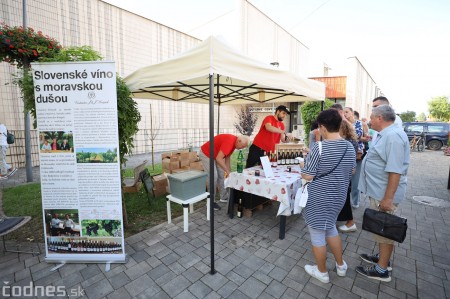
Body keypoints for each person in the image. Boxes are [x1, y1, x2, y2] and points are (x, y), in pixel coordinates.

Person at [300, 109, 356, 283]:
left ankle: (322, 272)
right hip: (338, 197)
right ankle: (340, 265)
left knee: (317, 234)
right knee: (330, 227)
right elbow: (351, 170)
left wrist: (303, 164)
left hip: (319, 198)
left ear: (322, 127)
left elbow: (308, 175)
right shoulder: (349, 145)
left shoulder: (319, 146)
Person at [356, 105, 410, 282]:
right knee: (381, 229)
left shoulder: (393, 136)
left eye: (372, 117)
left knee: (384, 230)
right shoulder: (387, 134)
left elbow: (395, 170)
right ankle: (382, 258)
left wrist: (388, 198)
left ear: (380, 118)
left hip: (384, 194)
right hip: (380, 191)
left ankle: (381, 270)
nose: (369, 121)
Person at [199, 134, 249, 210]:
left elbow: (227, 158)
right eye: (242, 146)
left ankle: (224, 197)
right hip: (206, 154)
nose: (241, 149)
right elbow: (219, 159)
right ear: (239, 141)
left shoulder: (234, 143)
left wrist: (229, 172)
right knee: (213, 176)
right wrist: (228, 171)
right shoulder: (229, 142)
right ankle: (210, 202)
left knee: (221, 174)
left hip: (215, 155)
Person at [344, 107, 369, 208]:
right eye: (344, 112)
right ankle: (344, 201)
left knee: (356, 180)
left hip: (357, 154)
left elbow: (361, 136)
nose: (345, 114)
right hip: (345, 154)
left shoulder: (360, 123)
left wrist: (365, 138)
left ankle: (355, 201)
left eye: (347, 112)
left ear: (352, 113)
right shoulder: (342, 124)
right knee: (345, 179)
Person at [337, 121, 359, 232]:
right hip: (345, 175)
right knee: (344, 199)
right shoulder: (351, 141)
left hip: (343, 176)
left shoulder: (346, 142)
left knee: (345, 200)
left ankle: (351, 223)